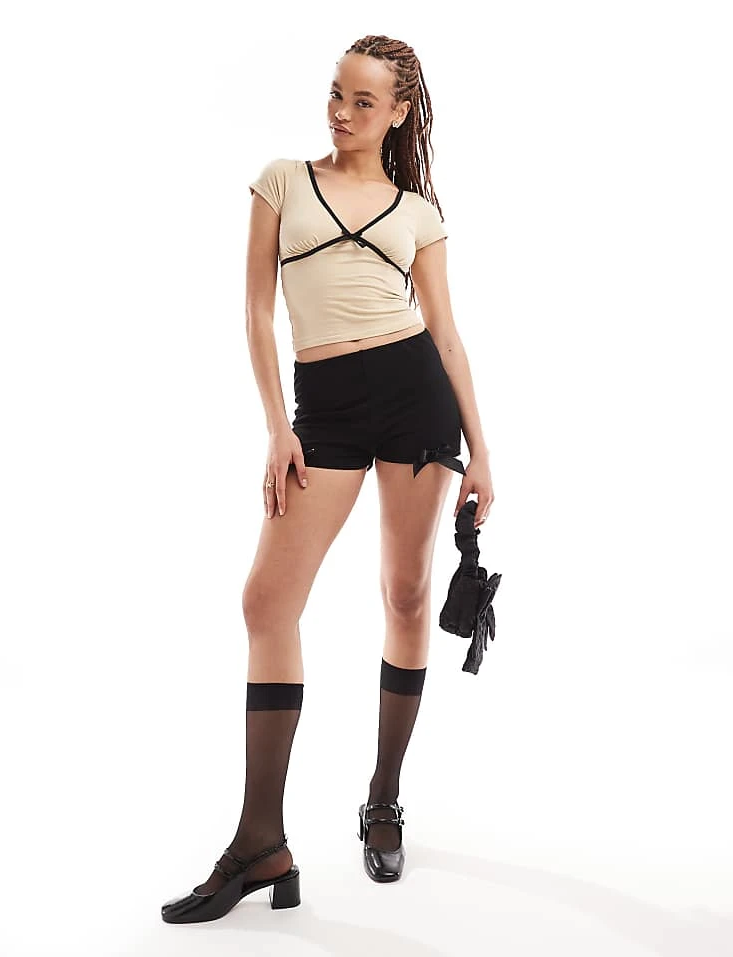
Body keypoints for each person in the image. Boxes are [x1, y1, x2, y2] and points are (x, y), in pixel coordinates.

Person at [161, 33, 495, 924]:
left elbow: (447, 334)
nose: (342, 112)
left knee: (406, 593)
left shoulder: (418, 212)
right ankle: (261, 841)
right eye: (336, 94)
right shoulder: (281, 181)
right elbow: (255, 310)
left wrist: (483, 449)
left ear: (399, 113)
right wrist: (278, 427)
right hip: (326, 407)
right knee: (267, 602)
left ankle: (383, 795)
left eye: (362, 101)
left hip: (416, 398)